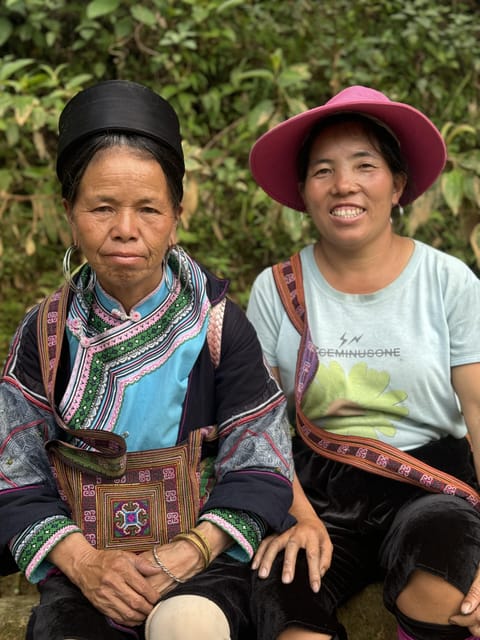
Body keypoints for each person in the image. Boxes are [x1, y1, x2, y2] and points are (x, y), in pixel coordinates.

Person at [0, 79, 295, 640]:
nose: (125, 230)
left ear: (176, 216)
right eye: (102, 207)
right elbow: (12, 473)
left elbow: (261, 456)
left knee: (190, 625)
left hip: (201, 567)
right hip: (83, 570)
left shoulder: (220, 327)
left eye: (149, 209)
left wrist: (188, 552)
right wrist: (85, 563)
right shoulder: (44, 334)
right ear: (70, 211)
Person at [246, 85, 480, 640]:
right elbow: (259, 424)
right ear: (303, 191)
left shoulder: (448, 282)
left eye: (365, 165)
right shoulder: (276, 290)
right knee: (282, 596)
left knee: (447, 584)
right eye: (323, 170)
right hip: (316, 493)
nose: (344, 184)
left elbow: (478, 413)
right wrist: (298, 513)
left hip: (430, 487)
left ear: (398, 184)